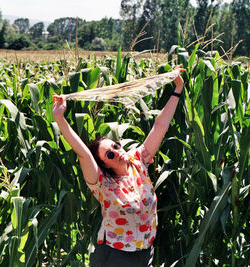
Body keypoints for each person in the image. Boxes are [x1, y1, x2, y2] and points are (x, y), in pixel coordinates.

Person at [52, 66, 185, 267]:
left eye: (115, 145)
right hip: (115, 256)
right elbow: (83, 153)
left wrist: (177, 90)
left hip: (144, 253)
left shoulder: (138, 162)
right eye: (110, 154)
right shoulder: (102, 184)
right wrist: (60, 119)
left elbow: (160, 126)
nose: (117, 151)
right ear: (103, 164)